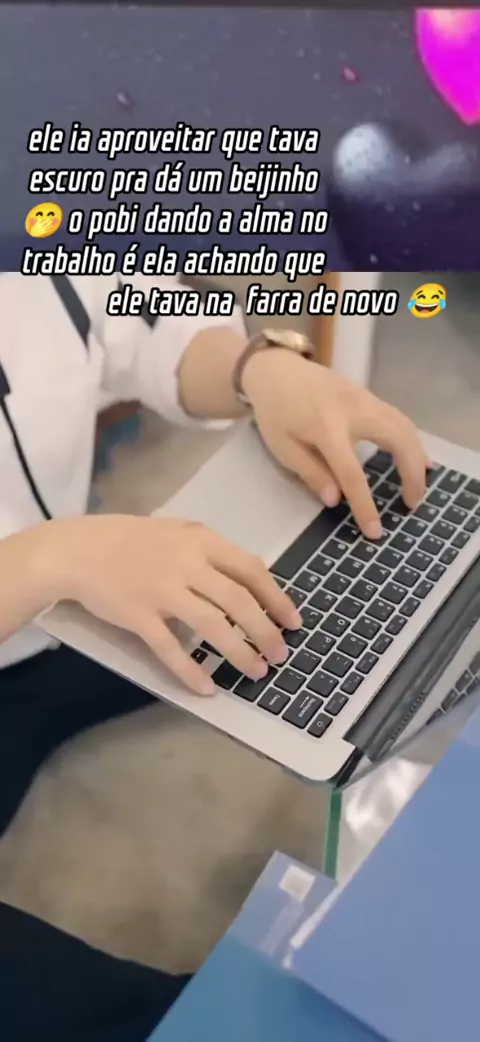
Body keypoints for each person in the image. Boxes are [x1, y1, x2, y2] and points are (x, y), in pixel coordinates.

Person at [0, 272, 428, 1041]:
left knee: (306, 600)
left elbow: (133, 317)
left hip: (54, 622)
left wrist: (260, 367)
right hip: (41, 594)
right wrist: (43, 561)